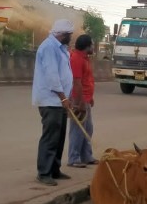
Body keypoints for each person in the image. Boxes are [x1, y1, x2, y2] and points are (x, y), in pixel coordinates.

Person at [32, 19, 74, 186]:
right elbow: (52, 76)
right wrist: (63, 97)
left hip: (60, 100)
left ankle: (54, 169)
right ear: (62, 35)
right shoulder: (49, 47)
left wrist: (66, 98)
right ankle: (44, 172)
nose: (71, 38)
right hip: (51, 100)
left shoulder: (61, 48)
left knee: (59, 136)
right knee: (50, 137)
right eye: (69, 35)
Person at [68, 34, 99, 168]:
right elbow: (77, 82)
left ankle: (86, 156)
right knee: (78, 129)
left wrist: (90, 98)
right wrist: (79, 102)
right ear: (87, 46)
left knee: (88, 128)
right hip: (79, 99)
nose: (93, 47)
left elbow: (87, 81)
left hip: (86, 98)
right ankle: (73, 158)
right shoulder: (76, 59)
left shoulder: (85, 59)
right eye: (92, 44)